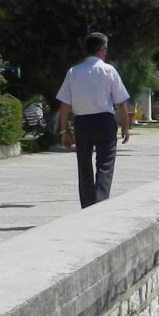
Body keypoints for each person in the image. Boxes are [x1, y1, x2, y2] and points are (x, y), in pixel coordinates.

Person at [55, 32, 132, 208]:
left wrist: (64, 131)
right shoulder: (109, 70)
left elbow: (64, 105)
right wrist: (125, 127)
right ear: (102, 49)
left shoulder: (73, 72)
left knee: (84, 165)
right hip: (104, 121)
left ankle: (87, 204)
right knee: (105, 164)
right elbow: (120, 102)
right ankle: (100, 202)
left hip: (82, 122)